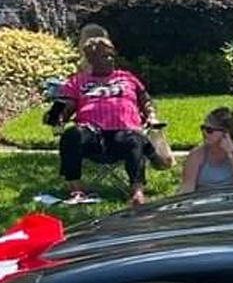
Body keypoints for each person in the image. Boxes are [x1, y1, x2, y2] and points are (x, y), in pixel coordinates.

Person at [55, 37, 161, 206]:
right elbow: (66, 106)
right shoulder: (77, 81)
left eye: (111, 55)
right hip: (92, 135)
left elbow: (145, 100)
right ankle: (76, 189)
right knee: (72, 135)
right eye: (104, 56)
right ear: (91, 59)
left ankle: (137, 192)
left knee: (134, 140)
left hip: (124, 133)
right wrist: (57, 116)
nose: (110, 59)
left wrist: (151, 116)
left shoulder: (127, 77)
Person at [179, 107, 233, 193]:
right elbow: (187, 189)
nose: (204, 132)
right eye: (203, 127)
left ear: (226, 133)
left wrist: (232, 153)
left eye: (209, 130)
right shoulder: (197, 155)